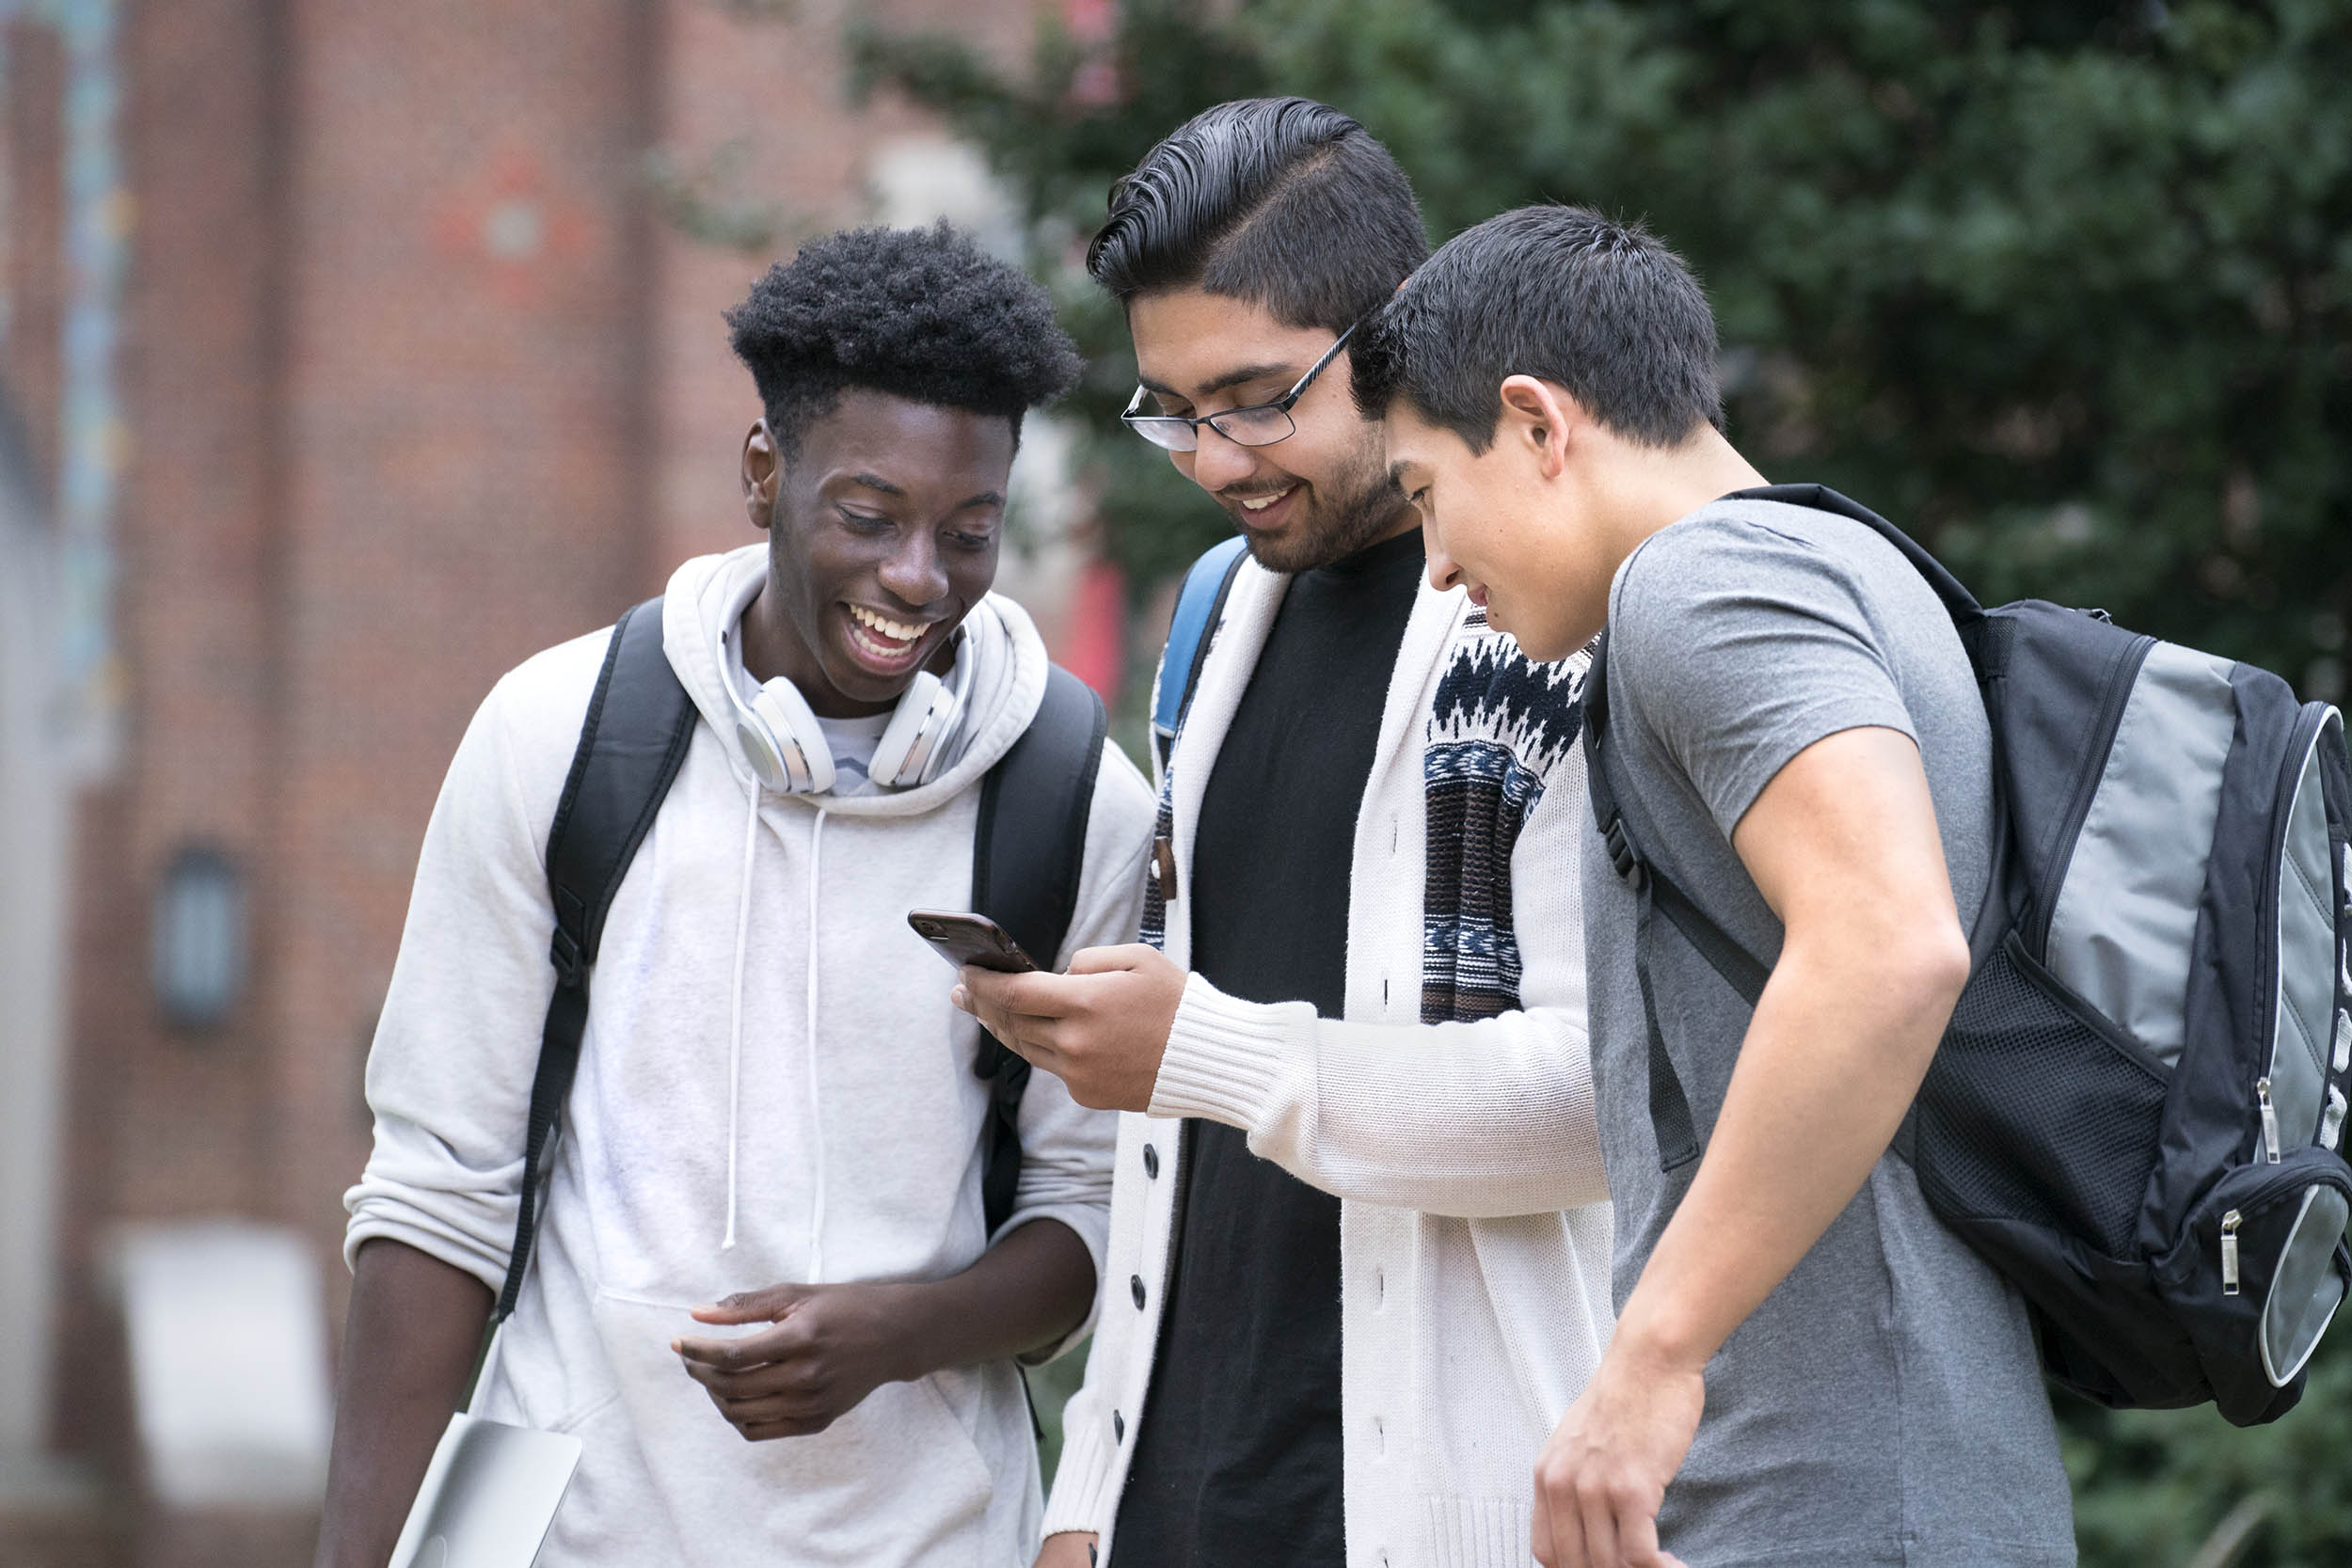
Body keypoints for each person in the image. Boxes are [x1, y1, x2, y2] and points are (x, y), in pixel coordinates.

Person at [316, 223, 1157, 1568]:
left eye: (970, 532)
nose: (917, 581)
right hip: (572, 1535)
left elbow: (1096, 1211)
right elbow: (436, 1197)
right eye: (869, 517)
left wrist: (900, 1332)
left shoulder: (1072, 799)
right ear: (766, 474)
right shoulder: (563, 737)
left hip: (928, 1542)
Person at [1353, 202, 2077, 1568]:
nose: (1438, 568)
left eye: (1424, 493)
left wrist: (1651, 1359)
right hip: (1894, 1484)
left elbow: (1887, 943)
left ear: (1536, 425)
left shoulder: (1703, 588)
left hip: (1843, 1504)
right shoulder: (1848, 563)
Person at [952, 100, 1613, 1568]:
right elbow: (1170, 1141)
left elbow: (1605, 1103)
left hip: (1453, 1509)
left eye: (1254, 398)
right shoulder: (1210, 620)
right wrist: (1089, 1495)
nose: (1210, 457)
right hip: (1172, 1507)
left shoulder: (1558, 631)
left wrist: (1203, 1048)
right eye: (1171, 409)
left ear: (1391, 331)